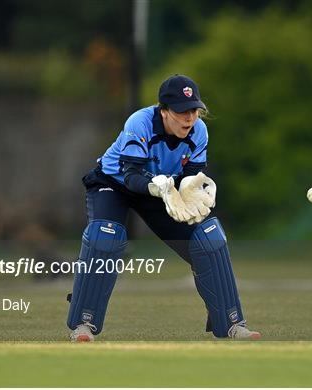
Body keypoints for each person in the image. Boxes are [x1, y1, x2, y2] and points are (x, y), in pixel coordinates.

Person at [66, 74, 261, 341]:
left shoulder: (199, 131)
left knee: (208, 240)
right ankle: (83, 325)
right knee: (105, 237)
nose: (189, 118)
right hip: (114, 182)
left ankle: (230, 322)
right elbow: (132, 175)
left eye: (194, 110)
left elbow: (190, 177)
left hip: (163, 190)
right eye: (181, 111)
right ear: (164, 110)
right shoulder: (141, 122)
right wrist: (157, 187)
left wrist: (193, 190)